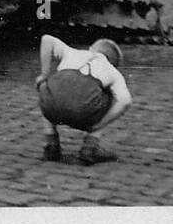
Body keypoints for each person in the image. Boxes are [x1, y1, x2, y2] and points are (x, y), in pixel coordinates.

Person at [35, 34, 131, 165]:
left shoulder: (72, 52)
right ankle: (89, 148)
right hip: (82, 112)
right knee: (109, 96)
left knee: (49, 87)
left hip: (50, 108)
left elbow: (46, 39)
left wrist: (44, 75)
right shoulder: (112, 71)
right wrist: (100, 124)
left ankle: (51, 144)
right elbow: (125, 101)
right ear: (113, 63)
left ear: (92, 48)